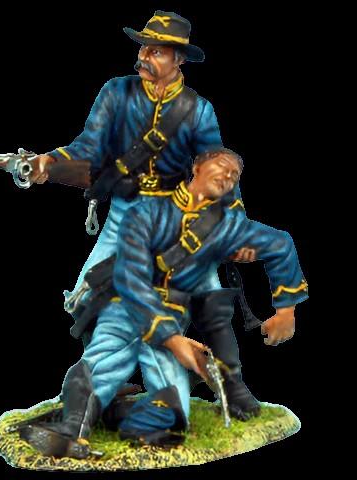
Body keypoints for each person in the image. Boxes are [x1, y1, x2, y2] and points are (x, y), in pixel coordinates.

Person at [17, 148, 308, 459]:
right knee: (102, 362)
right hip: (127, 308)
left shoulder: (228, 227)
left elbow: (281, 244)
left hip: (170, 318)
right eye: (221, 167)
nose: (227, 175)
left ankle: (112, 415)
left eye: (234, 174)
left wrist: (286, 312)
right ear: (197, 168)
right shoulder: (147, 212)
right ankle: (71, 429)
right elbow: (131, 278)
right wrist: (173, 340)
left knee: (169, 418)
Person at [28, 11, 233, 300]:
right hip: (124, 210)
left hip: (176, 213)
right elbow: (88, 146)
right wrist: (49, 161)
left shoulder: (198, 109)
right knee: (82, 299)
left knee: (210, 297)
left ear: (179, 59)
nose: (144, 56)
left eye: (157, 51)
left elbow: (216, 170)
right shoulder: (116, 92)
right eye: (144, 47)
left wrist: (228, 224)